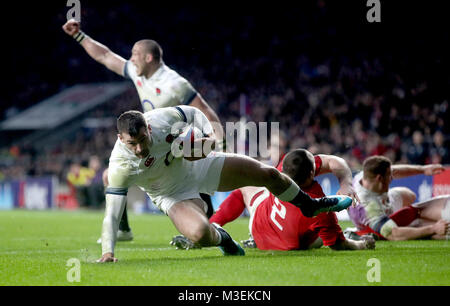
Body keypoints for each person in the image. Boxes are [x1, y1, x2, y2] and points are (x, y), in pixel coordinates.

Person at [97, 106, 353, 262]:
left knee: (267, 174)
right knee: (199, 234)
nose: (140, 148)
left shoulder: (162, 119)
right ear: (120, 138)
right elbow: (112, 213)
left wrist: (209, 137)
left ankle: (308, 205)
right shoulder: (120, 165)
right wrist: (108, 252)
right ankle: (225, 241)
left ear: (149, 128)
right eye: (133, 144)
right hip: (170, 194)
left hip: (199, 165)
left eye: (143, 139)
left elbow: (193, 113)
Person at [62, 19, 224, 240]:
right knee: (111, 176)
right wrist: (79, 35)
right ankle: (123, 230)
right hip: (152, 145)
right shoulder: (139, 74)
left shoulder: (174, 84)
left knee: (196, 200)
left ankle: (206, 230)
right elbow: (106, 56)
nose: (131, 58)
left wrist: (218, 140)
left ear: (149, 58)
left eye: (135, 54)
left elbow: (203, 109)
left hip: (178, 149)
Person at [171, 149, 375, 251]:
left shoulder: (279, 171)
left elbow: (330, 161)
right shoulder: (321, 204)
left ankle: (212, 226)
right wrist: (361, 245)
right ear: (313, 173)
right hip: (289, 244)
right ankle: (350, 232)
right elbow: (337, 245)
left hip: (260, 230)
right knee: (324, 230)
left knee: (245, 187)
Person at [348, 155, 450, 241]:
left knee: (409, 195)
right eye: (389, 176)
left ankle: (412, 221)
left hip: (382, 204)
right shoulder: (368, 208)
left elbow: (395, 170)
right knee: (411, 216)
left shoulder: (365, 175)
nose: (392, 179)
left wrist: (423, 170)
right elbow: (394, 234)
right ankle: (365, 233)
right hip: (376, 218)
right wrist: (433, 229)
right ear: (379, 178)